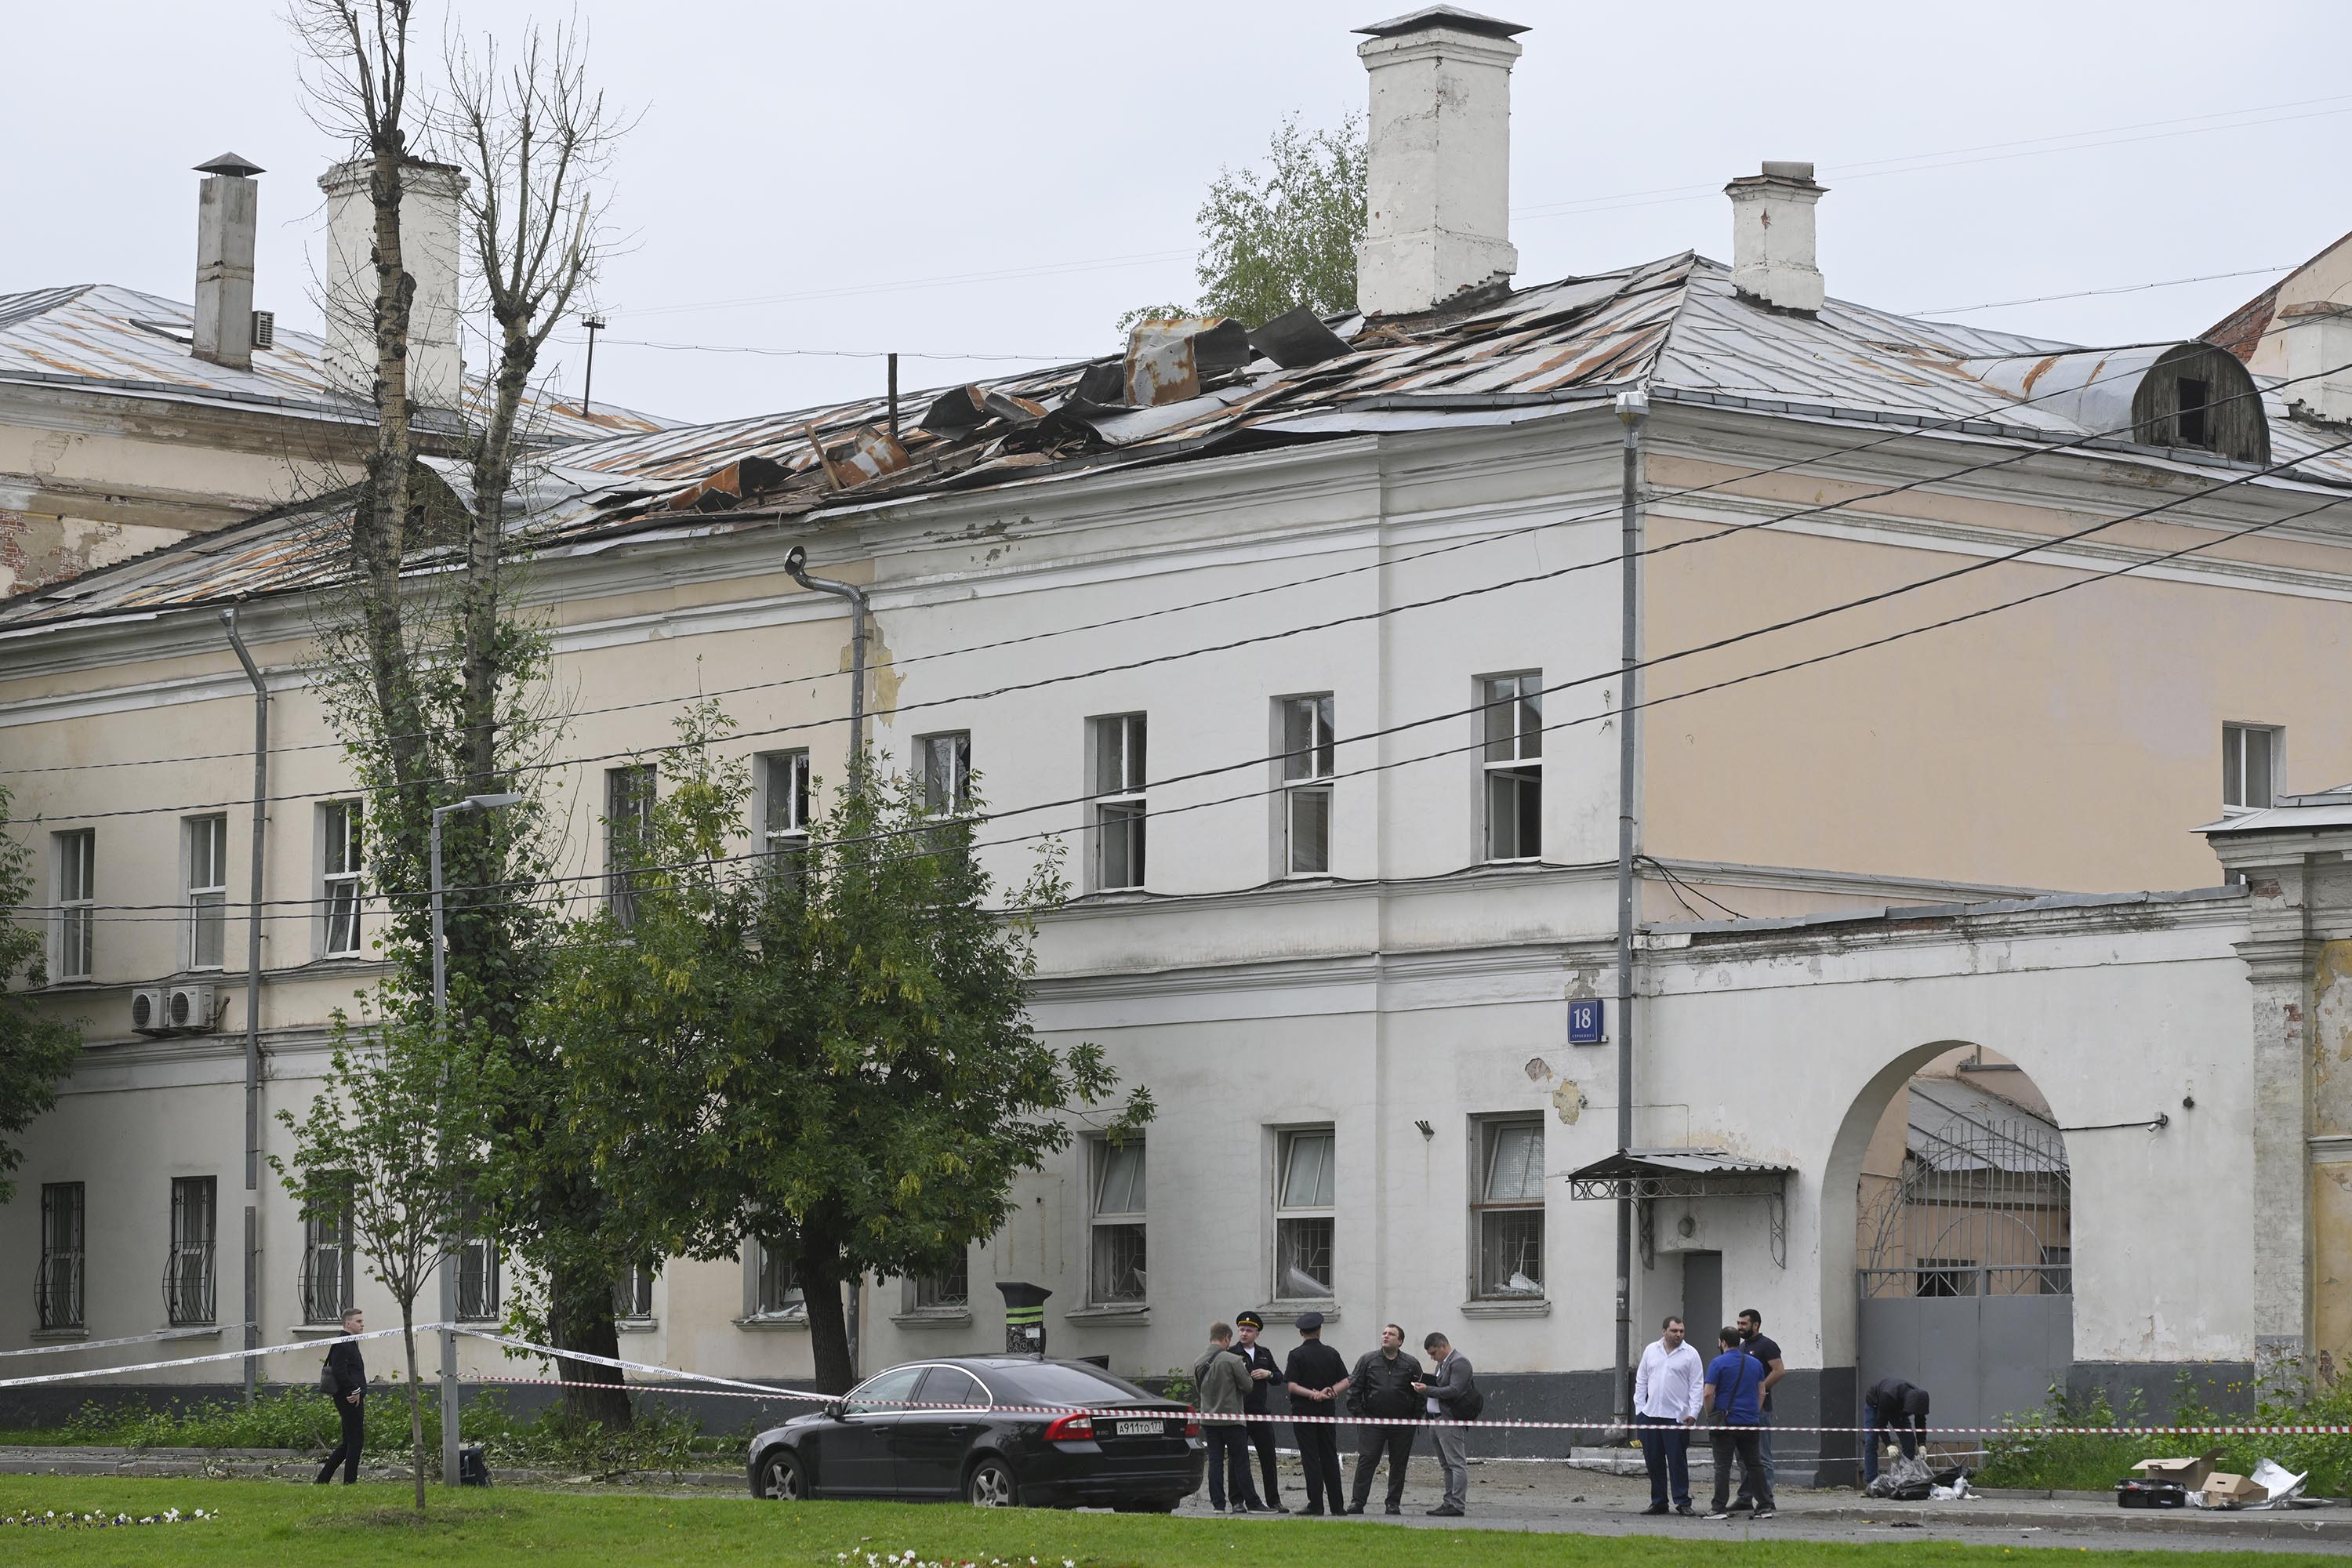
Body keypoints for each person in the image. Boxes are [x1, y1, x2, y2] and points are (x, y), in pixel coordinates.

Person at [1346, 1323, 1422, 1515]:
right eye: (1384, 1333)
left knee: (1399, 1463)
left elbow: (1420, 1393)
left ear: (1400, 1341)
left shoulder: (1411, 1364)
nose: (1386, 1336)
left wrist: (1414, 1418)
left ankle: (1393, 1503)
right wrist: (1361, 1415)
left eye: (1391, 1334)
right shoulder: (1368, 1360)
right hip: (1372, 1422)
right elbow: (1355, 1389)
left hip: (1402, 1423)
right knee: (1367, 1460)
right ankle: (1357, 1502)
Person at [1632, 1315, 1703, 1516]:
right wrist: (1640, 1409)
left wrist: (1693, 1412)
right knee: (1653, 1460)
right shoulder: (1650, 1351)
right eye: (1674, 1331)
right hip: (1651, 1414)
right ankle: (1659, 1501)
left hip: (1677, 1417)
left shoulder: (1691, 1354)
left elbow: (1697, 1386)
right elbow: (1642, 1380)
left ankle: (1682, 1501)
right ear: (1664, 1331)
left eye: (1681, 1331)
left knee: (1677, 1460)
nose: (1679, 1335)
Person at [1700, 1326, 1773, 1520]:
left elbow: (1708, 1393)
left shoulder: (1718, 1363)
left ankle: (1719, 1508)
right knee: (1754, 1464)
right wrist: (1753, 1412)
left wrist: (1711, 1415)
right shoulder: (1755, 1364)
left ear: (1722, 1342)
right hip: (1749, 1421)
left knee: (1722, 1466)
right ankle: (1765, 1506)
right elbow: (1761, 1392)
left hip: (1726, 1422)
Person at [1283, 1311, 1350, 1515]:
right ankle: (1337, 1506)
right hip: (1327, 1411)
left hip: (1304, 1411)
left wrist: (1312, 1394)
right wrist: (1329, 1392)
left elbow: (1292, 1386)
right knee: (1329, 1454)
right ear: (1319, 1331)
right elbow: (1346, 1381)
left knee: (1311, 1457)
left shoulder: (1296, 1355)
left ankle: (1316, 1504)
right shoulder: (1331, 1353)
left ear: (1301, 1332)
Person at [1193, 1323, 1259, 1513]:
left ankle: (1218, 1504)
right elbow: (1248, 1386)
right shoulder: (1233, 1360)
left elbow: (1200, 1390)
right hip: (1232, 1419)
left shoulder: (1198, 1361)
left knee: (1215, 1462)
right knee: (1240, 1461)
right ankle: (1249, 1502)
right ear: (1227, 1338)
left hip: (1209, 1420)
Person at [1410, 1331, 1474, 1517]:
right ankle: (1449, 1502)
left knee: (1456, 1464)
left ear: (1443, 1346)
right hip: (1436, 1420)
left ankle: (1457, 1504)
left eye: (1433, 1353)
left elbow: (1454, 1390)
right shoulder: (1442, 1363)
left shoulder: (1459, 1362)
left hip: (1450, 1420)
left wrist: (1427, 1389)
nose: (1432, 1357)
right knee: (1447, 1465)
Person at [1231, 1311, 1287, 1512]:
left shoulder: (1264, 1353)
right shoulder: (1232, 1353)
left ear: (1257, 1333)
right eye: (1241, 1329)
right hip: (1239, 1412)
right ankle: (1237, 1501)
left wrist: (1268, 1373)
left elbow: (1280, 1377)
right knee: (1237, 1458)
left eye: (1249, 1330)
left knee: (1268, 1457)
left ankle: (1274, 1500)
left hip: (1260, 1412)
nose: (1244, 1333)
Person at [315, 1306, 367, 1485]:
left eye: (362, 1321)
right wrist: (355, 1390)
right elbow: (339, 1370)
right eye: (358, 1321)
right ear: (348, 1323)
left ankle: (322, 1479)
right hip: (349, 1398)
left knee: (348, 1443)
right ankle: (349, 1483)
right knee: (355, 1443)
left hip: (352, 1395)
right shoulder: (342, 1343)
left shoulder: (350, 1341)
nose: (362, 1324)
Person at [1736, 1308, 1786, 1490]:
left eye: (1744, 1324)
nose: (1740, 1327)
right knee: (1742, 1456)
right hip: (1742, 1410)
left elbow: (1779, 1370)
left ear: (1755, 1325)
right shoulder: (1741, 1348)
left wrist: (1761, 1389)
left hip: (1761, 1409)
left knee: (1762, 1454)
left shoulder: (1767, 1345)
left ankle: (1766, 1496)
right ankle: (1746, 1496)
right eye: (1738, 1323)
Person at [1863, 1377, 1931, 1485]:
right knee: (1871, 1440)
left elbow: (1920, 1422)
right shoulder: (1888, 1396)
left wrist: (1922, 1444)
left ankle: (1906, 1479)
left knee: (1909, 1441)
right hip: (1875, 1404)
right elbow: (1880, 1424)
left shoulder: (1919, 1399)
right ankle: (1872, 1483)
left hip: (1898, 1408)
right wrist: (1888, 1445)